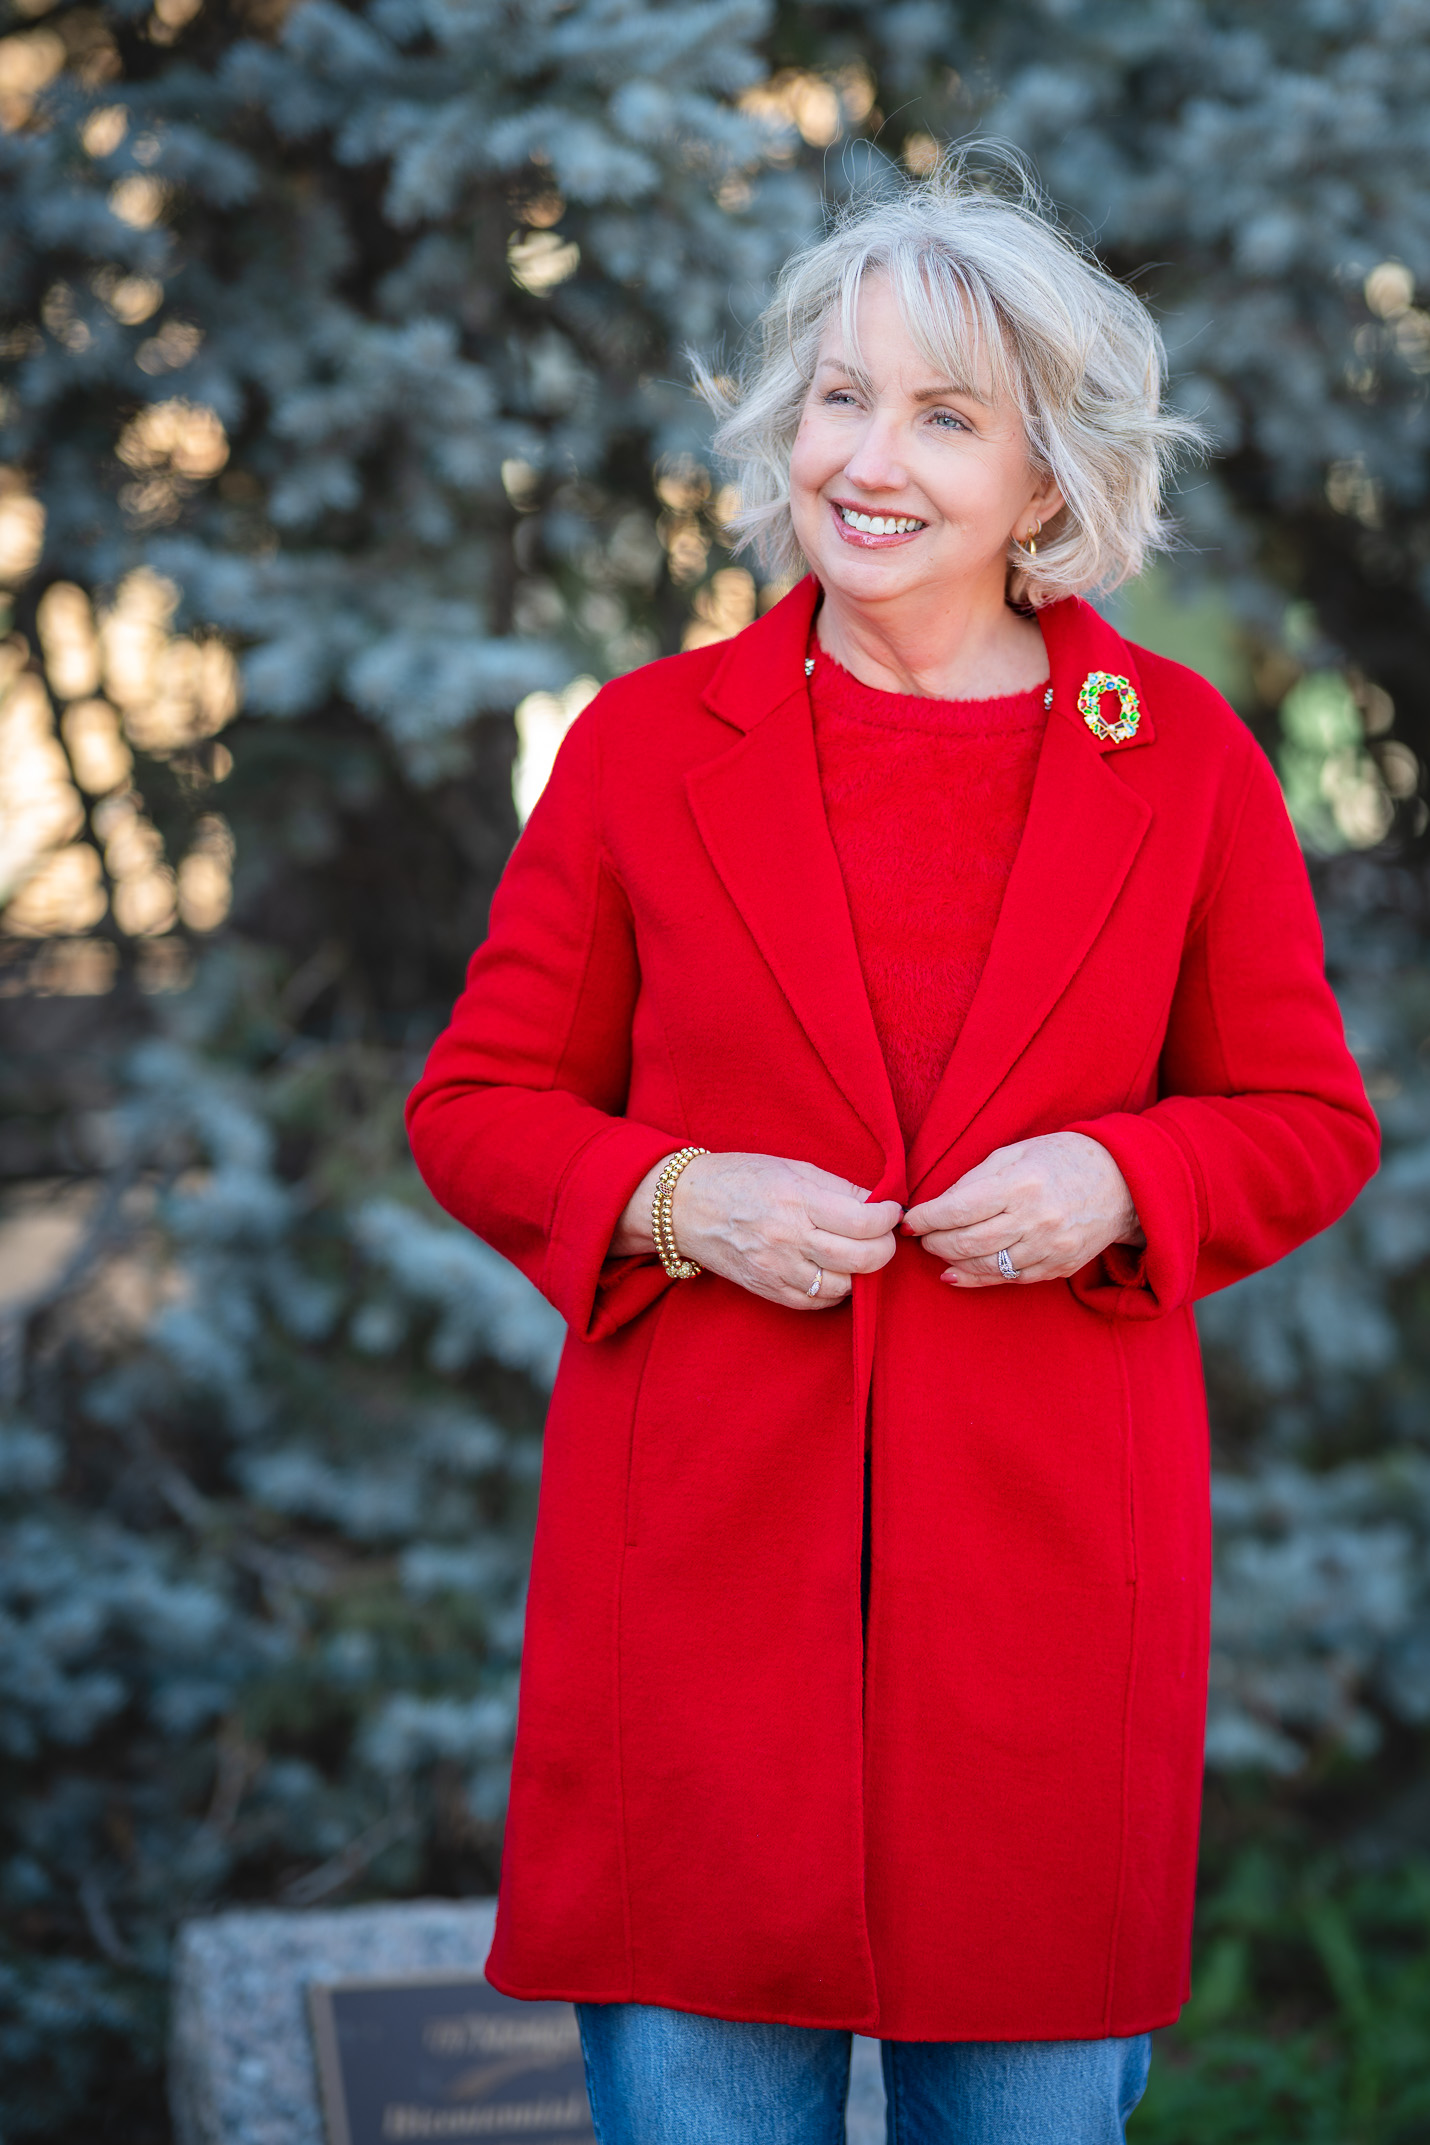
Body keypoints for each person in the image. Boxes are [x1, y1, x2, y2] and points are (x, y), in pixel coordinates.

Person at [406, 161, 1379, 2144]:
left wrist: (1126, 1180)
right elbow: (476, 1104)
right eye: (839, 398)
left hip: (1045, 1622)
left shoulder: (1181, 756)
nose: (868, 459)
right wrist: (675, 1196)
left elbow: (1305, 1121)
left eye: (944, 417)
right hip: (693, 1617)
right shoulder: (643, 747)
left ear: (1043, 476)